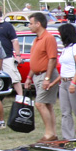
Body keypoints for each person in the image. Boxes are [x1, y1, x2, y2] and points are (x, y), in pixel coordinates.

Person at [24, 12, 60, 141]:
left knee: (39, 104)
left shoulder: (48, 38)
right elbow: (35, 60)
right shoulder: (36, 39)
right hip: (37, 75)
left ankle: (49, 133)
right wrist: (29, 77)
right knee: (47, 104)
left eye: (31, 23)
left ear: (38, 24)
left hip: (46, 75)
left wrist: (47, 78)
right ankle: (52, 133)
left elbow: (52, 59)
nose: (29, 26)